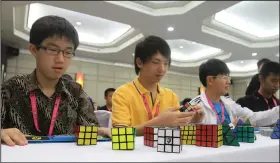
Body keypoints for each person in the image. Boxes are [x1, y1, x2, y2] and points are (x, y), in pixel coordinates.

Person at [1, 15, 110, 146]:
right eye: (53, 49)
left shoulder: (75, 91)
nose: (61, 59)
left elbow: (90, 128)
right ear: (34, 50)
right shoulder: (11, 88)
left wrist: (101, 131)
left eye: (68, 52)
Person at [111, 35, 204, 136]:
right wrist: (158, 123)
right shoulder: (123, 93)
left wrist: (192, 120)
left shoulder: (171, 96)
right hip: (134, 151)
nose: (162, 69)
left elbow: (176, 130)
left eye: (166, 63)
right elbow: (119, 134)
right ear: (139, 63)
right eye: (156, 62)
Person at [189, 58, 279, 126]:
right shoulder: (195, 105)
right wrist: (232, 127)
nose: (228, 82)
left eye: (229, 77)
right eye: (224, 77)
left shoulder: (229, 103)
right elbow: (188, 136)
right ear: (210, 80)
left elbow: (254, 117)